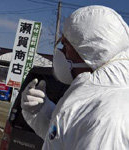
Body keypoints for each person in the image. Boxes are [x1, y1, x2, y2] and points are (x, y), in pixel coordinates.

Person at [21, 5, 129, 149]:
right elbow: (64, 138)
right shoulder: (96, 98)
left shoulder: (107, 115)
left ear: (88, 52)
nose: (62, 53)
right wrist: (41, 111)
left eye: (66, 46)